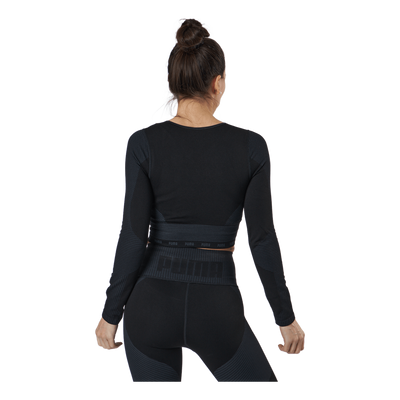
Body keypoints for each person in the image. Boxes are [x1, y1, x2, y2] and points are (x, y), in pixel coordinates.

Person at [93, 16, 306, 385]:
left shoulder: (143, 143)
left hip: (151, 305)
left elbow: (132, 237)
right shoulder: (251, 147)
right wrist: (285, 319)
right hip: (217, 308)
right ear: (217, 82)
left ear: (174, 82)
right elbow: (261, 241)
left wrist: (109, 316)